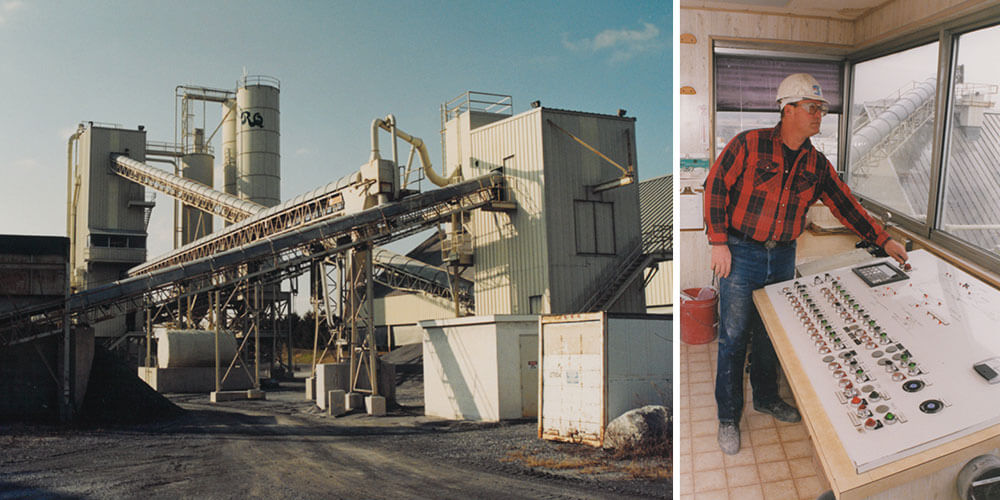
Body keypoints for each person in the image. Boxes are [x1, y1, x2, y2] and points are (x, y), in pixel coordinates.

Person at [703, 73, 908, 455]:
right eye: (813, 108)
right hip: (741, 251)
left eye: (822, 109)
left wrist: (883, 238)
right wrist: (718, 242)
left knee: (770, 334)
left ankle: (765, 397)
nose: (820, 115)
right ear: (788, 109)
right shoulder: (749, 144)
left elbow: (845, 205)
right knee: (733, 338)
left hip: (783, 254)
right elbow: (716, 186)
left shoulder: (816, 163)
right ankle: (728, 417)